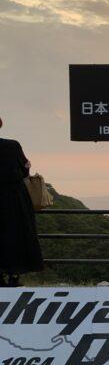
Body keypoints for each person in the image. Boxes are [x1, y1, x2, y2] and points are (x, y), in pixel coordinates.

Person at [0, 118, 44, 286]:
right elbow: (24, 170)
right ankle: (14, 275)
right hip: (13, 198)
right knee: (16, 235)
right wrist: (27, 166)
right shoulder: (12, 146)